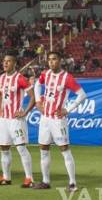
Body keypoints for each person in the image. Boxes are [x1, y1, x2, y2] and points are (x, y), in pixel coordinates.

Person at [32, 51, 86, 191]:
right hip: (45, 118)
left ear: (60, 61)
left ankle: (73, 184)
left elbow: (82, 95)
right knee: (43, 149)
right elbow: (37, 84)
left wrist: (68, 109)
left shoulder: (67, 78)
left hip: (58, 120)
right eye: (49, 59)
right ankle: (45, 181)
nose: (51, 62)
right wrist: (38, 101)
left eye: (54, 59)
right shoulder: (46, 74)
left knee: (64, 150)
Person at [0, 53, 34, 186]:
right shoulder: (0, 78)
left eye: (9, 61)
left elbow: (33, 97)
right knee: (4, 147)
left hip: (16, 120)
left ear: (14, 63)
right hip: (4, 119)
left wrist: (25, 111)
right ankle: (6, 177)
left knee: (21, 148)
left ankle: (29, 178)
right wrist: (0, 108)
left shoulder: (20, 79)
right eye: (4, 61)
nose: (5, 63)